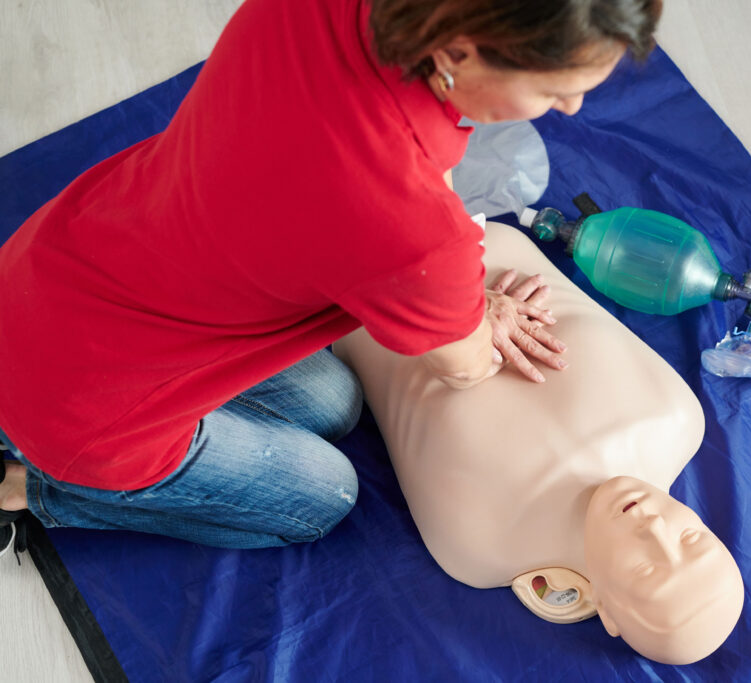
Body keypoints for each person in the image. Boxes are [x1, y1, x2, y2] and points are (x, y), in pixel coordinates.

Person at [0, 0, 663, 549]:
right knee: (324, 497)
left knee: (336, 400)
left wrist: (451, 282)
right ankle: (33, 487)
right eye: (557, 88)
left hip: (47, 269)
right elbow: (463, 366)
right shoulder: (406, 220)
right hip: (85, 414)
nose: (573, 106)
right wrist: (470, 309)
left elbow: (416, 178)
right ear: (459, 51)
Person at [333, 223, 744, 665]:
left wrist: (461, 313)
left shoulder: (481, 546)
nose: (654, 527)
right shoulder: (678, 415)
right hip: (458, 230)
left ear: (602, 609)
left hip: (352, 292)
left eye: (645, 569)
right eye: (690, 537)